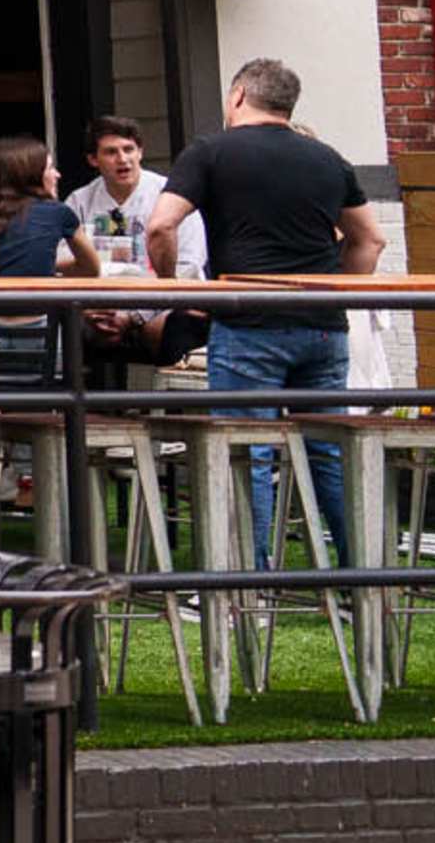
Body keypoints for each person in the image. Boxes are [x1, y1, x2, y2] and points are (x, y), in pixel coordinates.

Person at [144, 58, 384, 562]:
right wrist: (334, 290)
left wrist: (175, 291)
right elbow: (371, 239)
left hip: (247, 322)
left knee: (245, 452)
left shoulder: (210, 151)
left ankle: (248, 584)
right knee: (327, 449)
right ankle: (359, 581)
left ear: (237, 97)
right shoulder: (327, 159)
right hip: (322, 329)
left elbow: (161, 227)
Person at [0, 135, 99, 384]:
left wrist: (46, 262)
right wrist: (47, 264)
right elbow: (91, 268)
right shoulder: (57, 213)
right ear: (31, 176)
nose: (57, 174)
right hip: (40, 334)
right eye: (50, 168)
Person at [67, 114, 205, 279]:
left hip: (166, 298)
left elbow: (190, 263)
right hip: (103, 299)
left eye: (128, 149)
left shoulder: (172, 195)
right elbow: (65, 259)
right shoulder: (79, 202)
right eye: (111, 152)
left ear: (140, 152)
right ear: (93, 160)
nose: (123, 159)